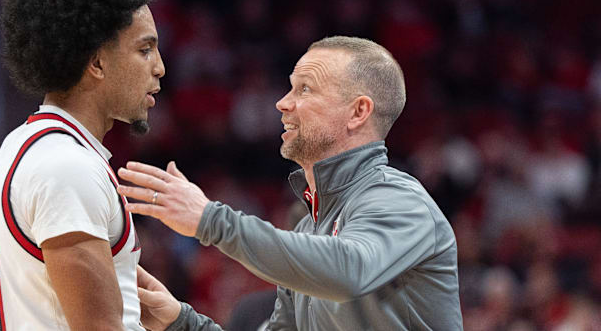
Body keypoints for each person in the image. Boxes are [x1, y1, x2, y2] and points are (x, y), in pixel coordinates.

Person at [117, 36, 463, 330]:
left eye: (305, 89)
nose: (283, 103)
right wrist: (181, 321)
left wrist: (211, 220)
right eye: (290, 87)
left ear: (358, 112)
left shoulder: (399, 199)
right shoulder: (308, 228)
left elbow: (348, 272)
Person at [0, 0, 164, 331]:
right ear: (96, 62)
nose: (159, 67)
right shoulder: (67, 167)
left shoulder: (26, 146)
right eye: (145, 50)